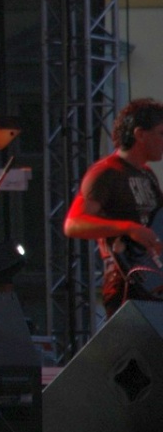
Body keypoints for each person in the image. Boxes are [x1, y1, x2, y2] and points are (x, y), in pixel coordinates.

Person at [64, 98, 163, 317]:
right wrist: (128, 227)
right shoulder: (106, 172)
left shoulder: (147, 174)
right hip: (124, 282)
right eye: (161, 133)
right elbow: (73, 224)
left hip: (152, 281)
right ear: (140, 134)